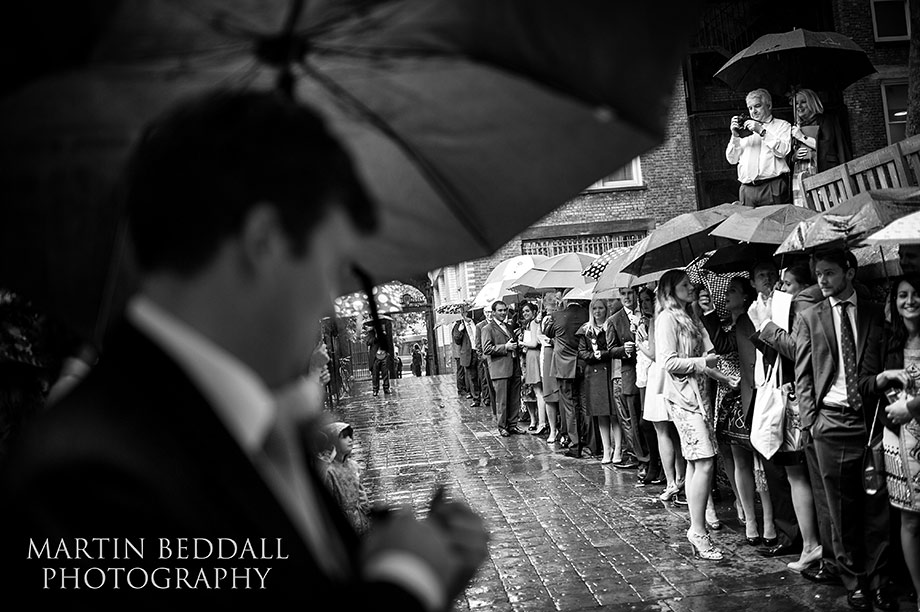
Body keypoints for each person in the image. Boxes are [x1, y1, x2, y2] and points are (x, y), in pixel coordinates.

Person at [0, 90, 489, 609]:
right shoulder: (86, 480)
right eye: (331, 267)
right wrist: (407, 582)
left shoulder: (254, 419)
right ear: (266, 242)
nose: (328, 301)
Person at [795, 248, 894, 611]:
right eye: (818, 274)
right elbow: (803, 375)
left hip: (869, 423)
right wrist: (811, 422)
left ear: (849, 272)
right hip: (830, 422)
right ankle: (854, 581)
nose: (822, 280)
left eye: (829, 273)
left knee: (877, 506)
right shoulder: (810, 316)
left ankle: (881, 581)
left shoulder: (872, 312)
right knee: (840, 509)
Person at [747, 263, 823, 572]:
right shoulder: (801, 305)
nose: (784, 290)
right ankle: (807, 543)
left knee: (798, 476)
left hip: (795, 402)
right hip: (793, 400)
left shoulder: (805, 304)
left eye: (788, 284)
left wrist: (765, 323)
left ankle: (810, 544)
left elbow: (794, 351)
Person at [655, 269, 725, 560]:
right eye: (684, 285)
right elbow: (668, 361)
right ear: (671, 290)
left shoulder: (690, 316)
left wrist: (722, 377)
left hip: (702, 395)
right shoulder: (667, 319)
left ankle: (698, 529)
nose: (690, 288)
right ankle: (697, 529)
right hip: (683, 398)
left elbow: (712, 352)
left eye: (690, 283)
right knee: (705, 460)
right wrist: (701, 362)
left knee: (699, 462)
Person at [861, 274, 920, 611]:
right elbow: (866, 382)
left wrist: (910, 405)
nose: (909, 301)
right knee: (909, 519)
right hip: (899, 439)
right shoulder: (888, 341)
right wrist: (886, 378)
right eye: (902, 295)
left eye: (915, 295)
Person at [705, 275, 777, 546]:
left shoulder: (752, 319)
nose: (727, 295)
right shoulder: (732, 323)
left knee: (760, 462)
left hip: (752, 393)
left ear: (746, 295)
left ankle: (767, 520)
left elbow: (727, 347)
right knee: (738, 460)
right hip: (731, 397)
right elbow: (722, 346)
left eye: (732, 291)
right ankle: (750, 517)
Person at [607, 287, 650, 473]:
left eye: (630, 293)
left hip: (651, 371)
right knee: (636, 419)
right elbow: (610, 349)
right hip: (630, 373)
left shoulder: (647, 315)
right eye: (623, 294)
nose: (627, 297)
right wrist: (624, 349)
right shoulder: (615, 320)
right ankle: (643, 459)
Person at [726, 88, 793, 207]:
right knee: (749, 225)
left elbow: (782, 151)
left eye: (757, 106)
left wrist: (761, 131)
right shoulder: (744, 130)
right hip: (747, 189)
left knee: (776, 224)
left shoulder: (782, 126)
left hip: (772, 185)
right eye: (750, 108)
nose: (753, 111)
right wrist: (735, 136)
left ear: (769, 105)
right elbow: (732, 159)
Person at [577, 299, 622, 464]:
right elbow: (582, 351)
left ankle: (618, 448)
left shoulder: (611, 326)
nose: (597, 311)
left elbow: (614, 348)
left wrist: (602, 354)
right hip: (594, 375)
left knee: (614, 413)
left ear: (606, 309)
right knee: (601, 413)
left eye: (600, 308)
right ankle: (606, 449)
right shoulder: (586, 329)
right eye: (594, 308)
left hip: (610, 370)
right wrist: (594, 356)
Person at [788, 88, 849, 208]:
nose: (799, 106)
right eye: (796, 103)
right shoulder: (796, 125)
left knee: (826, 206)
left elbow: (827, 145)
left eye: (803, 102)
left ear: (812, 102)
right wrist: (794, 156)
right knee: (804, 208)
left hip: (823, 169)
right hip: (801, 171)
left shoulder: (826, 120)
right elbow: (790, 153)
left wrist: (801, 137)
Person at [548, 297, 590, 458]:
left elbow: (548, 332)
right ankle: (589, 441)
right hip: (583, 362)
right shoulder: (587, 313)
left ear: (565, 300)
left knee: (569, 406)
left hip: (564, 366)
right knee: (585, 404)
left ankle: (575, 443)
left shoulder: (558, 315)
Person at [481, 300, 526, 438]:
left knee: (514, 398)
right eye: (500, 310)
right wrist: (505, 347)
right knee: (502, 400)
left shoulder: (508, 326)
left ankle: (513, 424)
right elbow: (487, 349)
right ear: (493, 312)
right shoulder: (488, 329)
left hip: (513, 366)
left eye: (505, 310)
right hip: (499, 369)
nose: (503, 313)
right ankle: (502, 426)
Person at [321, 422, 371, 535]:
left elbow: (361, 492)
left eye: (350, 436)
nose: (350, 440)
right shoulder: (329, 471)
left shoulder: (353, 466)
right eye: (344, 437)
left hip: (361, 520)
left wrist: (366, 508)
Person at [518, 301, 548, 435]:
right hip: (530, 356)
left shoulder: (533, 323)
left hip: (533, 356)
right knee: (537, 392)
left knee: (538, 392)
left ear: (534, 312)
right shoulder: (529, 324)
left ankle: (542, 422)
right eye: (523, 312)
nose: (525, 314)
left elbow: (534, 342)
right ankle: (540, 421)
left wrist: (522, 343)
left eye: (527, 311)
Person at [540, 297, 562, 444]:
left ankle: (561, 429)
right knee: (549, 395)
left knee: (562, 395)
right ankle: (553, 429)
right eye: (549, 309)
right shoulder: (546, 320)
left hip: (560, 356)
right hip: (548, 355)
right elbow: (543, 338)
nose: (551, 312)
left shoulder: (561, 318)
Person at [453, 307, 482, 408]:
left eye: (468, 312)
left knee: (482, 375)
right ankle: (476, 398)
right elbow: (457, 340)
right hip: (468, 354)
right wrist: (460, 331)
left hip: (478, 352)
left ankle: (486, 398)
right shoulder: (458, 326)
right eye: (464, 313)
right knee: (472, 377)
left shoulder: (477, 323)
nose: (466, 315)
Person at [475, 308, 496, 412]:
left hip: (497, 355)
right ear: (484, 313)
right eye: (487, 312)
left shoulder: (497, 324)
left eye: (490, 312)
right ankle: (487, 398)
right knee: (485, 378)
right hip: (486, 357)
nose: (489, 314)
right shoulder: (480, 326)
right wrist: (482, 356)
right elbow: (478, 343)